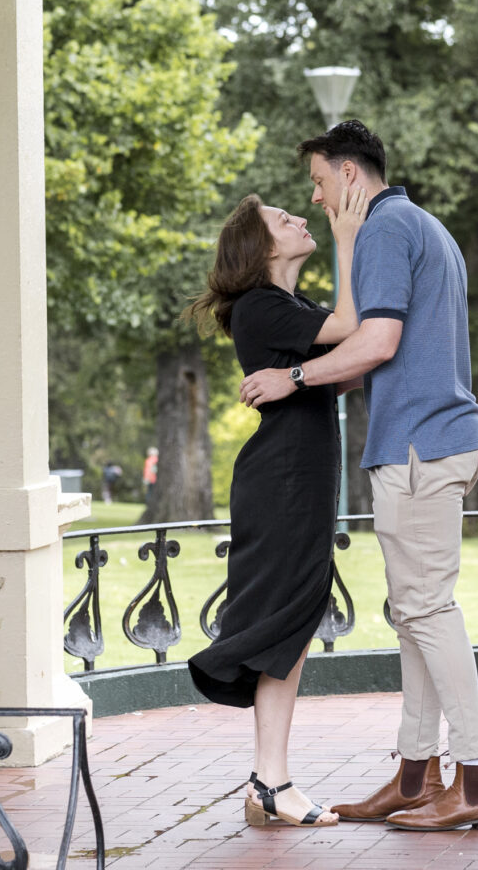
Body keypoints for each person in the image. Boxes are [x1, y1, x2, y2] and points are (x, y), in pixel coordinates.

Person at [239, 120, 478, 832]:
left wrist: (292, 374)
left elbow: (375, 341)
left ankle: (477, 780)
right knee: (415, 613)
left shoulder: (387, 232)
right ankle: (415, 775)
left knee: (424, 611)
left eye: (320, 183)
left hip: (419, 445)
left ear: (350, 176)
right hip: (432, 440)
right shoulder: (422, 225)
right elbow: (380, 343)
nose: (318, 198)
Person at [186, 186, 367, 828]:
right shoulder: (262, 307)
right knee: (284, 623)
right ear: (261, 248)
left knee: (292, 624)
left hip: (299, 480)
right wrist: (346, 235)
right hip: (283, 481)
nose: (298, 218)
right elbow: (350, 330)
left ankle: (270, 782)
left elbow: (350, 360)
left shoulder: (290, 306)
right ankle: (271, 781)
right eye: (282, 219)